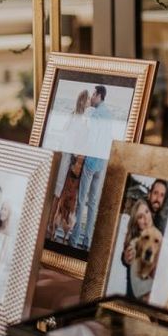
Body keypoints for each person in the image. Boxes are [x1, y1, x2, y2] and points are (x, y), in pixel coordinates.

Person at [70, 85, 112, 249]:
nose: (92, 97)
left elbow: (91, 139)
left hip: (91, 161)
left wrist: (80, 154)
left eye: (94, 94)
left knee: (81, 201)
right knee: (93, 203)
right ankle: (87, 241)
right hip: (102, 162)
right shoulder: (108, 114)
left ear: (99, 95)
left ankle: (74, 240)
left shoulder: (94, 114)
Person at [48, 90, 91, 239]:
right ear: (83, 101)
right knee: (59, 194)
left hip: (70, 159)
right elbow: (71, 139)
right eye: (88, 99)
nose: (90, 101)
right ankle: (51, 226)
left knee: (61, 194)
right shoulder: (77, 118)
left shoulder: (76, 116)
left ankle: (53, 226)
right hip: (69, 159)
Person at [120, 198, 155, 300]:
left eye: (146, 212)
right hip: (134, 298)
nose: (145, 218)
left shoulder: (158, 237)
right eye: (140, 216)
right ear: (136, 222)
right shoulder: (134, 241)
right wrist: (125, 259)